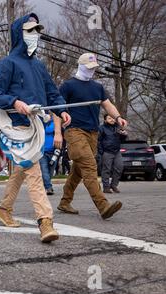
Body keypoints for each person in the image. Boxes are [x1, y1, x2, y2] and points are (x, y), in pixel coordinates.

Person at [0, 13, 72, 243]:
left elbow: (53, 93)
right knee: (34, 173)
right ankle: (45, 221)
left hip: (38, 128)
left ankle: (4, 208)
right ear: (19, 34)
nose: (35, 35)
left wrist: (61, 110)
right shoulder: (7, 63)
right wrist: (15, 102)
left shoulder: (39, 66)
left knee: (22, 169)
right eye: (30, 30)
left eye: (37, 31)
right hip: (15, 127)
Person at [58, 53, 128, 220]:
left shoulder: (97, 87)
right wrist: (56, 133)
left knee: (78, 171)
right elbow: (57, 109)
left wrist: (118, 118)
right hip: (74, 131)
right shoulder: (68, 86)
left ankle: (64, 202)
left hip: (92, 133)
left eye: (94, 68)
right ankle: (103, 206)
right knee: (89, 167)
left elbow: (107, 104)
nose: (92, 71)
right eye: (89, 68)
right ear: (80, 66)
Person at [98, 114, 127, 193]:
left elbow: (122, 140)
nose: (112, 120)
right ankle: (106, 187)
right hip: (106, 152)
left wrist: (124, 135)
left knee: (119, 167)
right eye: (109, 118)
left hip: (117, 151)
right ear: (105, 120)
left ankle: (114, 185)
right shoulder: (101, 128)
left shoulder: (117, 127)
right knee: (106, 170)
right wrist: (101, 152)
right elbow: (98, 141)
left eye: (113, 118)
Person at [39, 114, 63, 195]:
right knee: (44, 170)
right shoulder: (40, 124)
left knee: (50, 171)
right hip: (42, 152)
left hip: (54, 152)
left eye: (49, 114)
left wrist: (59, 150)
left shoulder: (56, 125)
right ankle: (49, 188)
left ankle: (45, 186)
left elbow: (62, 138)